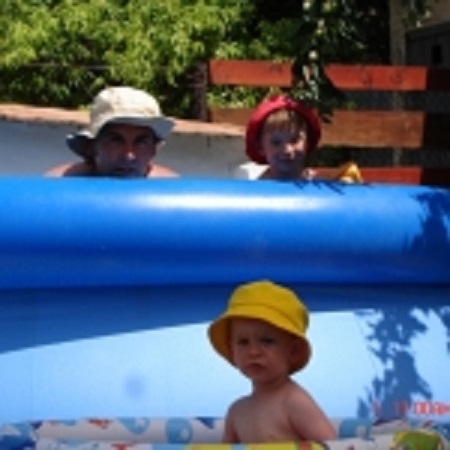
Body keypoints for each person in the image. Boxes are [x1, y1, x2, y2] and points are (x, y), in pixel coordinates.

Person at [208, 280, 337, 443]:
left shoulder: (294, 403)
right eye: (243, 342)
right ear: (232, 349)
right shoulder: (237, 411)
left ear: (293, 351)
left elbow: (332, 446)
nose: (253, 352)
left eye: (267, 341)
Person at [45, 86, 178, 178]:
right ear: (91, 147)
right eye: (116, 141)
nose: (129, 155)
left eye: (141, 142)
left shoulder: (172, 192)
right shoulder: (59, 186)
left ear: (153, 150)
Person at [243, 94, 362, 182]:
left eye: (295, 140)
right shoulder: (257, 189)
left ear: (307, 142)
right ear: (261, 147)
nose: (287, 150)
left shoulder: (314, 182)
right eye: (276, 142)